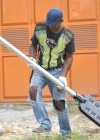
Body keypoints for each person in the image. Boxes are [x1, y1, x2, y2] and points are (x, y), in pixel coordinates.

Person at [28, 8, 75, 138]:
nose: (51, 26)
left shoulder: (68, 35)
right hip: (41, 69)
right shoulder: (40, 28)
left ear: (61, 21)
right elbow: (33, 45)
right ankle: (45, 125)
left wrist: (63, 76)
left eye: (54, 24)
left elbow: (69, 57)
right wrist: (32, 57)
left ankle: (65, 133)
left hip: (57, 71)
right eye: (49, 23)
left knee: (59, 102)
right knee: (33, 91)